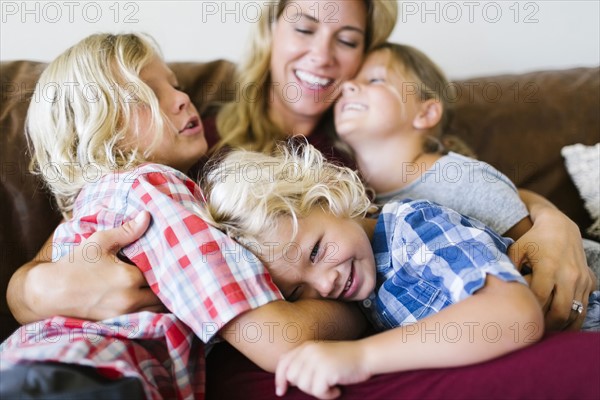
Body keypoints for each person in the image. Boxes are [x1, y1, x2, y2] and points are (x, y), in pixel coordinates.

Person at [3, 0, 597, 397]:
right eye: (305, 27)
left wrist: (549, 219)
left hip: (365, 340)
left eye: (348, 39)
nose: (322, 56)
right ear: (271, 29)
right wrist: (34, 288)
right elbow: (65, 249)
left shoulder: (368, 140)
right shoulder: (187, 147)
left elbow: (457, 191)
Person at [0, 32, 365, 399]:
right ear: (96, 136)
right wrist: (366, 311)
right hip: (79, 376)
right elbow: (277, 339)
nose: (182, 98)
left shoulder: (103, 202)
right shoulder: (148, 189)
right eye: (147, 94)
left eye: (174, 84)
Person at [197, 141, 544, 399]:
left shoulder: (412, 227)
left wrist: (360, 357)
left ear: (330, 194)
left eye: (316, 251)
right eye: (297, 292)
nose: (324, 284)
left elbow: (516, 313)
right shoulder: (359, 288)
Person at [334, 42, 600, 331]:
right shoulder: (359, 206)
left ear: (426, 113)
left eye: (374, 79)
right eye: (346, 83)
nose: (348, 87)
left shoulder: (462, 179)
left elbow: (538, 260)